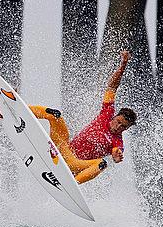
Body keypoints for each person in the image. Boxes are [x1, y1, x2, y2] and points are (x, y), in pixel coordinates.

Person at [29, 50, 137, 184]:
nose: (118, 127)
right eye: (118, 122)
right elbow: (112, 87)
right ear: (115, 117)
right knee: (55, 114)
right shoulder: (106, 113)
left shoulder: (117, 141)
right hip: (65, 150)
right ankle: (20, 110)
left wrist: (116, 155)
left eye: (123, 127)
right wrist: (123, 65)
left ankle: (71, 184)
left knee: (102, 164)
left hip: (76, 165)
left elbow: (116, 152)